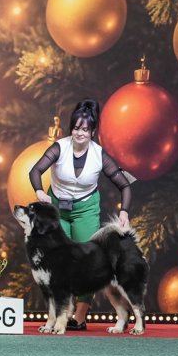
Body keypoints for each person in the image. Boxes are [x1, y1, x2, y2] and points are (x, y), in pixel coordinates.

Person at [28, 98, 133, 331]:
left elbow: (125, 185)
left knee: (88, 263)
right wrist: (39, 191)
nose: (80, 133)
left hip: (86, 210)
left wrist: (124, 211)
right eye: (76, 128)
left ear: (92, 132)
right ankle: (58, 315)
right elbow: (35, 171)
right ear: (71, 129)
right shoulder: (59, 147)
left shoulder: (99, 155)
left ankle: (80, 316)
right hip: (57, 209)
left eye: (85, 129)